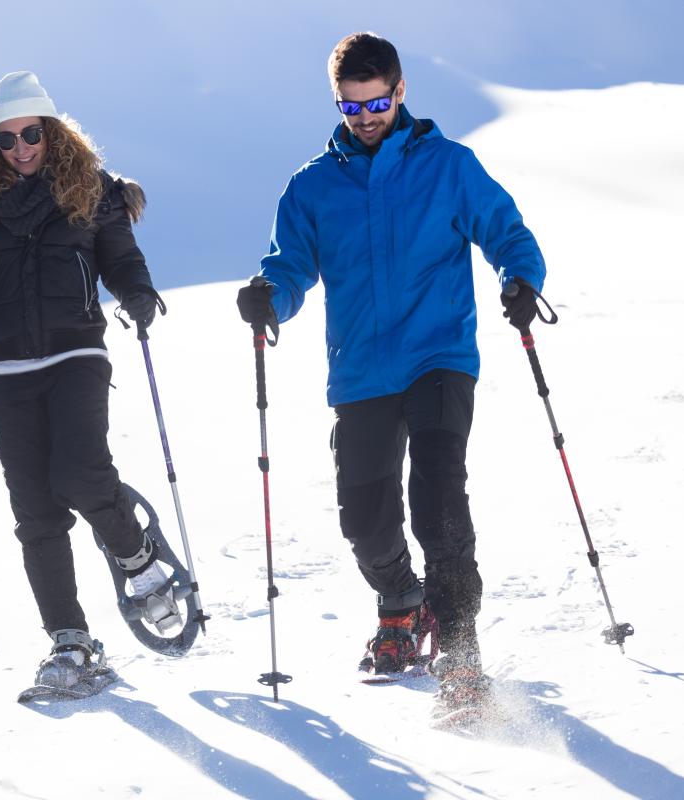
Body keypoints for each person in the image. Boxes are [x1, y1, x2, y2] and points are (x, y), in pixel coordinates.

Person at [237, 33, 546, 712]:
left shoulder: (448, 166)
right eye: (351, 107)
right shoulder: (313, 185)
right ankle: (401, 601)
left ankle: (461, 652)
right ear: (337, 102)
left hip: (439, 357)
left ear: (400, 91)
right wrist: (269, 295)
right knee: (365, 519)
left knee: (439, 502)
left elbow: (505, 230)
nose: (366, 116)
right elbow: (291, 265)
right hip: (362, 371)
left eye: (377, 102)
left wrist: (521, 279)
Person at [0, 71, 176, 689]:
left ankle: (138, 557)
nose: (21, 147)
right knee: (36, 512)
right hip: (8, 373)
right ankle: (71, 642)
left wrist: (137, 293)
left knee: (80, 475)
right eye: (6, 140)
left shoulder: (95, 192)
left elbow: (120, 260)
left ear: (52, 132)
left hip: (76, 357)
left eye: (31, 133)